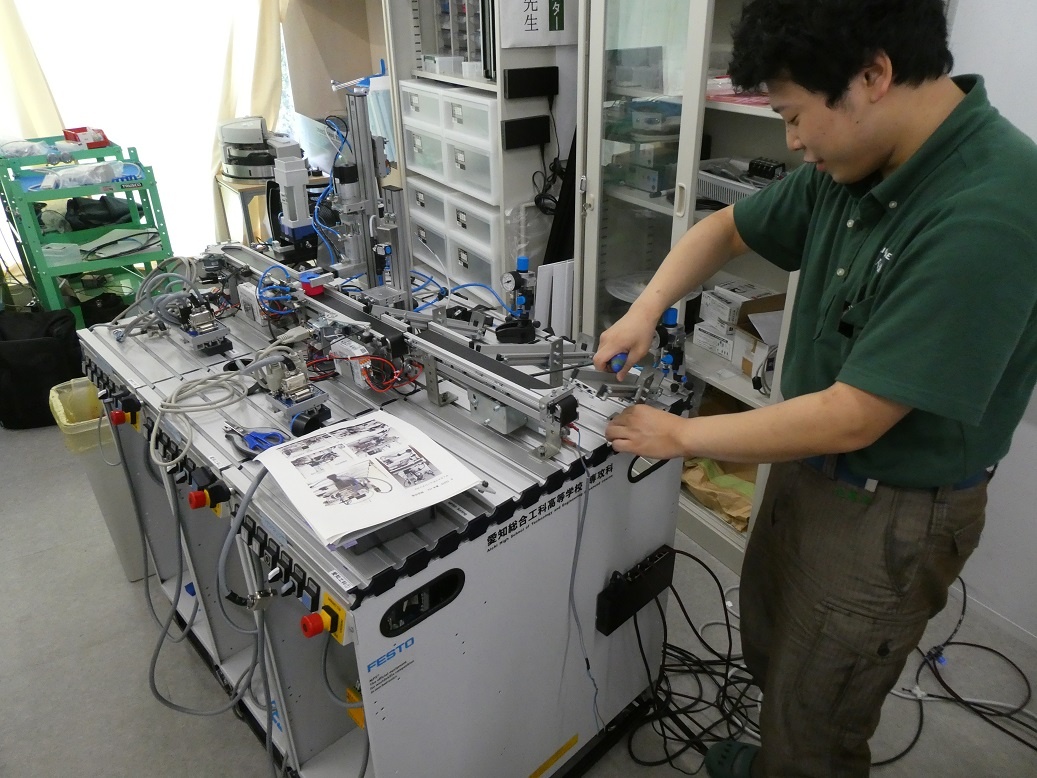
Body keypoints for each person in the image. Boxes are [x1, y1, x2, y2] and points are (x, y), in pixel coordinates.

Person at [592, 1, 1037, 776]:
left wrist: (680, 435)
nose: (793, 142)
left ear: (872, 75)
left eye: (794, 117)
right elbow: (725, 229)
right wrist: (643, 308)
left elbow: (854, 415)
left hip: (892, 507)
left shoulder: (989, 210)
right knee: (774, 652)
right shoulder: (860, 159)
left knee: (819, 712)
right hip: (808, 467)